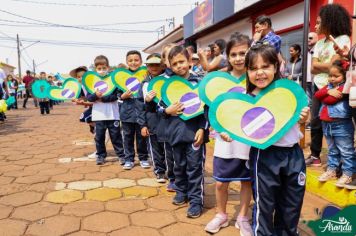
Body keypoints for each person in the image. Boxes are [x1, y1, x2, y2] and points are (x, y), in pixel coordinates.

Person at [239, 44, 309, 235]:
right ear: (247, 71)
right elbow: (237, 126)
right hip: (265, 156)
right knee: (265, 204)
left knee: (292, 202)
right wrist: (226, 132)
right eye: (253, 68)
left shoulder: (289, 92)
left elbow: (302, 119)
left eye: (265, 67)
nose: (259, 73)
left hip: (293, 154)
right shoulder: (247, 101)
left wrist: (304, 117)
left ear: (276, 67)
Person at [204, 33, 253, 235]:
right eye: (234, 54)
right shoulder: (219, 80)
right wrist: (218, 129)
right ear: (227, 56)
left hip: (250, 140)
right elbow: (211, 108)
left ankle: (243, 217)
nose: (239, 58)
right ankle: (221, 214)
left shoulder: (256, 77)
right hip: (225, 139)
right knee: (221, 182)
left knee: (246, 180)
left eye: (243, 53)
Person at [163, 45, 209, 218]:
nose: (179, 66)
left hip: (195, 135)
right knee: (179, 166)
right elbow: (160, 108)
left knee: (195, 168)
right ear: (170, 66)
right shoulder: (167, 85)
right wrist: (167, 111)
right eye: (174, 64)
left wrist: (202, 128)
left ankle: (196, 201)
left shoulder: (199, 83)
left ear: (190, 61)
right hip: (175, 133)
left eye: (182, 61)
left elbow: (207, 108)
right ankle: (181, 191)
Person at [306, 4, 351, 167]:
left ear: (329, 21)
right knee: (317, 121)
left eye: (319, 23)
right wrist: (327, 66)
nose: (316, 26)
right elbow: (313, 67)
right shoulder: (319, 44)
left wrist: (323, 66)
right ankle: (315, 155)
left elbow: (335, 66)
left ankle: (340, 159)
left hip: (335, 86)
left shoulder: (342, 39)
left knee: (335, 120)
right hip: (319, 86)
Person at [315, 60, 355, 186]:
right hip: (327, 124)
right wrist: (327, 91)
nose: (332, 79)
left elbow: (332, 100)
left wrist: (326, 94)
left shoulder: (345, 87)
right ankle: (332, 170)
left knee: (346, 150)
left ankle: (348, 174)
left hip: (341, 124)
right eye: (330, 76)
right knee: (332, 150)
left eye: (336, 76)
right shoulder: (329, 87)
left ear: (344, 76)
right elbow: (317, 94)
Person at [86, 55, 125, 165]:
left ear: (108, 67)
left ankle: (121, 156)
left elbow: (117, 95)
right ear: (95, 69)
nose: (102, 71)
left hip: (113, 115)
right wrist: (95, 95)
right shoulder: (92, 82)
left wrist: (102, 98)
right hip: (99, 115)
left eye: (104, 68)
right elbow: (89, 97)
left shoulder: (113, 80)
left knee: (116, 136)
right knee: (99, 137)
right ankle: (101, 155)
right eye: (99, 68)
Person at [137, 53, 168, 183]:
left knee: (167, 148)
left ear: (162, 65)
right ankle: (159, 172)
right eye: (151, 65)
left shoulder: (169, 80)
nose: (154, 67)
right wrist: (143, 125)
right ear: (147, 67)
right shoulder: (144, 84)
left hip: (167, 120)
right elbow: (139, 106)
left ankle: (170, 171)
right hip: (151, 121)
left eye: (157, 64)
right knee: (154, 148)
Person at [118, 50, 150, 170]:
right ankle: (129, 159)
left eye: (136, 60)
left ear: (141, 61)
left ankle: (143, 158)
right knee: (127, 137)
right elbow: (117, 93)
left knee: (142, 137)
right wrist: (122, 96)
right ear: (126, 62)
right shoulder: (122, 77)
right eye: (130, 60)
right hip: (126, 113)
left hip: (142, 112)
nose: (133, 62)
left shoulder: (145, 75)